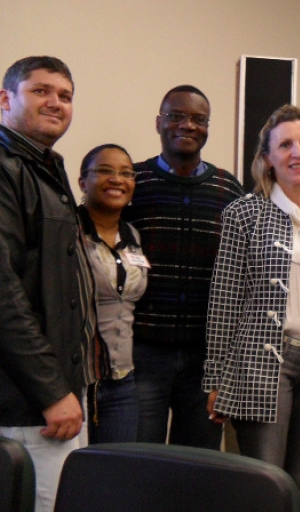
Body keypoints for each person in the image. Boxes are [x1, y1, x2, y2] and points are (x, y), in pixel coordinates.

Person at [203, 105, 300, 496]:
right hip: (267, 362)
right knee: (264, 482)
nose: (298, 153)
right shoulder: (244, 213)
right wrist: (215, 377)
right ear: (267, 158)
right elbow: (224, 299)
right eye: (285, 145)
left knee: (298, 483)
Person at [0, 56, 98, 511]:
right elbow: (4, 294)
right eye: (41, 91)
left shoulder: (43, 166)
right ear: (5, 100)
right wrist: (52, 391)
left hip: (50, 394)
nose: (56, 103)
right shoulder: (6, 167)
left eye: (65, 95)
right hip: (26, 404)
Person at [121, 85, 244, 449]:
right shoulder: (133, 182)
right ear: (159, 122)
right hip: (144, 353)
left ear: (208, 127)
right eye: (176, 116)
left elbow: (239, 275)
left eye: (198, 119)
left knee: (197, 467)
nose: (187, 125)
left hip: (206, 359)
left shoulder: (229, 189)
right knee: (138, 461)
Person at [77, 144, 149, 444]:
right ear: (83, 182)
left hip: (123, 383)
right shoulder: (69, 231)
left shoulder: (133, 236)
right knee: (70, 478)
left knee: (115, 477)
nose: (117, 179)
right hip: (77, 382)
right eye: (105, 170)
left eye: (126, 173)